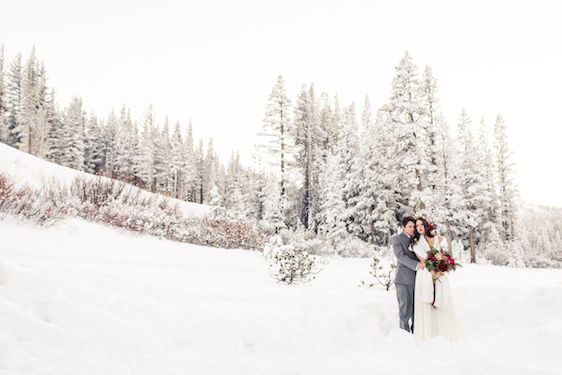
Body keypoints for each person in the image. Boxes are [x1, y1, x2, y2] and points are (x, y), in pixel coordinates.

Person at [411, 217, 462, 341]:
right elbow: (424, 260)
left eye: (421, 224)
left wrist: (443, 269)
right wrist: (434, 272)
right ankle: (429, 333)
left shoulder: (439, 239)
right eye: (417, 225)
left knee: (443, 299)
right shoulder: (416, 244)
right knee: (427, 302)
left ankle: (444, 332)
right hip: (425, 275)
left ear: (426, 225)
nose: (419, 227)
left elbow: (445, 257)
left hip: (441, 275)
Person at [391, 216, 424, 333]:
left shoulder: (417, 239)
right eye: (409, 226)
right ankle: (404, 334)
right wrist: (417, 265)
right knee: (405, 308)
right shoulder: (397, 239)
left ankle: (416, 331)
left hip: (418, 279)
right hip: (403, 279)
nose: (412, 229)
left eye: (414, 227)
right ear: (403, 227)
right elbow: (401, 257)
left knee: (416, 308)